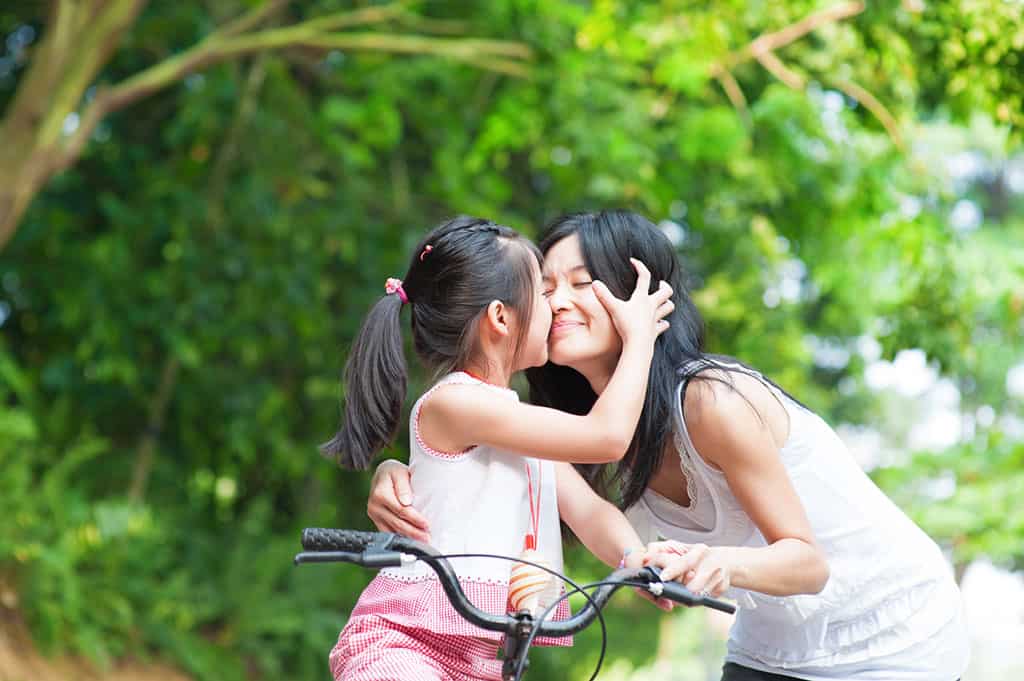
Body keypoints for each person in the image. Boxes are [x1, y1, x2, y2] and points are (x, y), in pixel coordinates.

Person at [367, 210, 970, 681]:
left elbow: (806, 563)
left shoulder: (712, 402)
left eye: (582, 283)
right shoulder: (576, 423)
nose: (555, 302)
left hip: (893, 634)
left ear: (642, 296)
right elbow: (566, 464)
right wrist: (397, 467)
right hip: (775, 644)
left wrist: (661, 563)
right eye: (544, 287)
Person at [323, 215, 675, 681]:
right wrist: (639, 341)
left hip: (481, 660)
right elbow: (606, 437)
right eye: (542, 295)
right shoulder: (456, 402)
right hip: (403, 645)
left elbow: (589, 511)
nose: (554, 309)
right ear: (501, 317)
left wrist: (636, 558)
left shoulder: (517, 428)